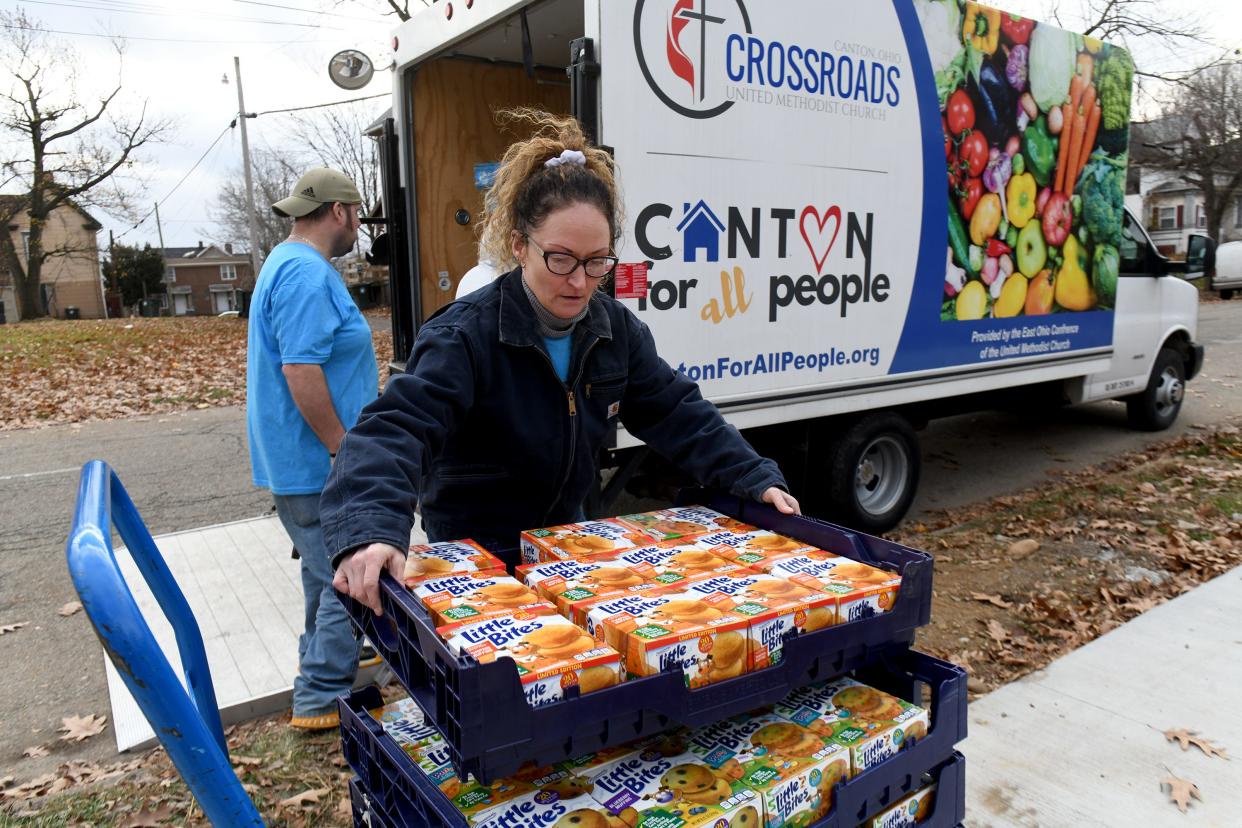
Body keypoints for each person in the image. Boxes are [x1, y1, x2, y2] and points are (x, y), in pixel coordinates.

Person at [322, 110, 798, 613]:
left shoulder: (614, 331)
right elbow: (396, 428)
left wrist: (754, 476)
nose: (579, 282)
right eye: (561, 259)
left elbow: (678, 412)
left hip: (571, 554)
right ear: (519, 246)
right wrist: (371, 529)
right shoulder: (464, 336)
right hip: (477, 567)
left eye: (597, 262)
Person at [246, 167, 378, 730]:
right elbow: (300, 369)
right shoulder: (305, 274)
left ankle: (325, 678)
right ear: (340, 212)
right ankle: (321, 698)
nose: (359, 230)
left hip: (302, 461)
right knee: (347, 580)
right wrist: (342, 448)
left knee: (323, 575)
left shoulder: (289, 263)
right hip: (317, 462)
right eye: (357, 216)